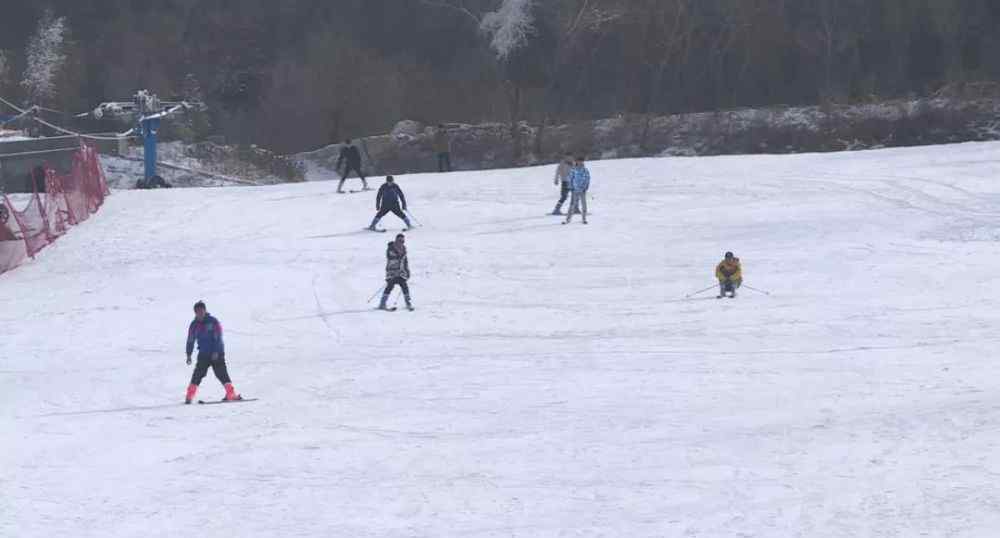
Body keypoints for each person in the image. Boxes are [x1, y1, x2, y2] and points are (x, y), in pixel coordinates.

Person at [184, 301, 241, 403]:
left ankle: (231, 394)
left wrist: (215, 351)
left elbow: (218, 337)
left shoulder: (213, 322)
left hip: (217, 353)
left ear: (205, 311)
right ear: (195, 313)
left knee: (221, 373)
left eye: (201, 311)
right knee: (197, 374)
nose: (200, 313)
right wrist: (189, 354)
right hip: (203, 354)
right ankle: (189, 396)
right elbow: (190, 340)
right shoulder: (194, 325)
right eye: (197, 312)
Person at [378, 233, 414, 311]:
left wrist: (407, 271)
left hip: (401, 272)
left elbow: (405, 261)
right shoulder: (390, 249)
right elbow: (391, 258)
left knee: (404, 286)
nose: (401, 242)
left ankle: (408, 303)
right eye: (400, 240)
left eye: (402, 241)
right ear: (396, 240)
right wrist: (397, 267)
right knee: (390, 286)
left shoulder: (404, 249)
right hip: (392, 272)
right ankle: (382, 303)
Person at [563, 156, 590, 225]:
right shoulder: (573, 169)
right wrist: (571, 187)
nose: (580, 162)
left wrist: (586, 187)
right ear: (576, 162)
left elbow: (587, 178)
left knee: (584, 204)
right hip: (575, 190)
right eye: (579, 161)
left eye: (581, 161)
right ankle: (568, 219)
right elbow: (570, 178)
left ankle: (584, 219)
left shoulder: (585, 170)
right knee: (572, 205)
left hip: (582, 190)